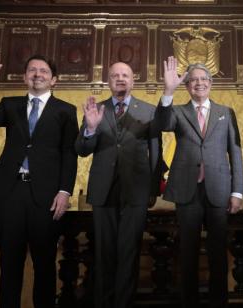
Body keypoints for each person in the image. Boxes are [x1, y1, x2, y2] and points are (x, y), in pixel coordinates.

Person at [0, 49, 78, 308]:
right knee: (9, 262)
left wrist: (65, 191)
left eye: (44, 71)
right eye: (32, 70)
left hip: (46, 196)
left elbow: (69, 153)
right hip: (10, 193)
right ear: (25, 76)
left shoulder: (66, 111)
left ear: (54, 80)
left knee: (45, 263)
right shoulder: (10, 105)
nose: (37, 74)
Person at [157, 56, 243, 308]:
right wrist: (168, 91)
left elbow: (235, 151)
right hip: (187, 190)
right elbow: (162, 124)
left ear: (211, 83)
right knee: (188, 253)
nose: (199, 83)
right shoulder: (176, 111)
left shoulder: (226, 113)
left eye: (203, 79)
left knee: (218, 253)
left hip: (219, 190)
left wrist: (237, 191)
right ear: (186, 86)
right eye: (193, 80)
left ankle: (220, 302)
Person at [75, 62, 162, 308]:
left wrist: (153, 189)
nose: (120, 79)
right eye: (115, 75)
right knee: (104, 254)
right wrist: (90, 129)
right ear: (108, 81)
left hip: (136, 192)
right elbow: (81, 150)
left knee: (129, 253)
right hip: (103, 191)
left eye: (125, 75)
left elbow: (157, 152)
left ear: (133, 80)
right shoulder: (95, 109)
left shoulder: (149, 110)